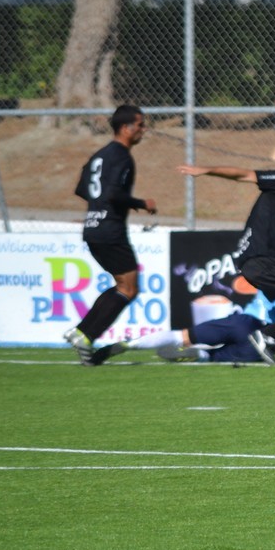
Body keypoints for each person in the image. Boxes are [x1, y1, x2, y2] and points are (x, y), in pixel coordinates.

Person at [176, 153, 275, 365]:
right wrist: (206, 170)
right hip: (262, 262)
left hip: (266, 263)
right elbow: (244, 175)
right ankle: (267, 336)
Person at [64, 104, 158, 365]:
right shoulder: (122, 157)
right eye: (140, 125)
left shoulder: (100, 155)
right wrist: (141, 203)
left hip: (93, 227)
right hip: (110, 230)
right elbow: (113, 193)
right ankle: (85, 334)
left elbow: (82, 188)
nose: (143, 129)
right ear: (125, 128)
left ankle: (82, 332)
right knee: (129, 288)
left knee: (123, 286)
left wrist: (98, 204)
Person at [88, 307, 275, 365]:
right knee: (214, 357)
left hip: (245, 322)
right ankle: (201, 355)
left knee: (182, 336)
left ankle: (130, 344)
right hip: (260, 345)